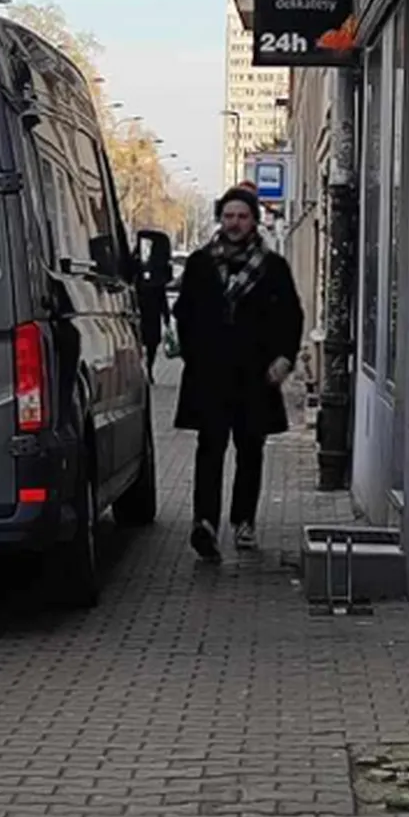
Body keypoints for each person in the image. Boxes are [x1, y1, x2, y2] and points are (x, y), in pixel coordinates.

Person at [174, 185, 304, 564]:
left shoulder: (272, 266)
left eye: (242, 217)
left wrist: (284, 359)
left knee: (250, 450)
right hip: (210, 375)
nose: (234, 223)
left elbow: (291, 316)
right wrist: (193, 355)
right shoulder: (200, 263)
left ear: (254, 221)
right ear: (220, 219)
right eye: (229, 216)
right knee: (209, 449)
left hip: (255, 377)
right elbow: (184, 313)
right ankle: (205, 523)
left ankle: (243, 520)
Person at [134, 229, 174, 373]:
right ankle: (148, 368)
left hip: (142, 308)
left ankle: (146, 367)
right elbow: (162, 293)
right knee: (151, 341)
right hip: (153, 311)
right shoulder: (160, 266)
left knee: (146, 339)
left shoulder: (142, 264)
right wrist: (166, 316)